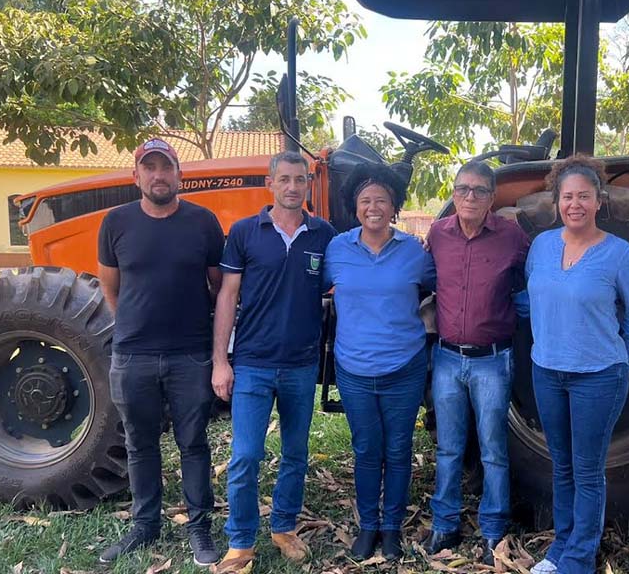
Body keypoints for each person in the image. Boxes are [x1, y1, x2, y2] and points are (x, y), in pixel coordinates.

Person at [524, 155, 629, 574]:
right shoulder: (542, 246)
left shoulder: (620, 255)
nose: (574, 204)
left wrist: (619, 363)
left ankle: (579, 560)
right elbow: (533, 301)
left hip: (597, 378)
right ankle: (561, 549)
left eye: (583, 195)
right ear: (557, 201)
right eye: (567, 196)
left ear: (599, 200)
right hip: (546, 371)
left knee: (586, 469)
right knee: (560, 465)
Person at [97, 138, 225, 566]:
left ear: (178, 175)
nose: (158, 175)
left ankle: (199, 527)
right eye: (149, 168)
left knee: (193, 442)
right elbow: (110, 287)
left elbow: (216, 285)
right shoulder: (116, 223)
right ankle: (145, 524)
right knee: (140, 444)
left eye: (165, 167)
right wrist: (135, 324)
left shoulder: (203, 223)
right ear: (136, 177)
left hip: (190, 354)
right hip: (132, 355)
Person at [212, 151, 336, 574]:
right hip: (253, 363)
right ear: (270, 183)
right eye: (284, 179)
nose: (292, 187)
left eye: (299, 179)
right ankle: (241, 540)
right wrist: (220, 362)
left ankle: (284, 526)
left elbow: (341, 288)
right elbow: (227, 297)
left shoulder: (323, 234)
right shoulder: (246, 232)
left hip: (301, 365)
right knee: (246, 454)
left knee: (295, 452)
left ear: (307, 185)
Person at [323, 163, 435, 562]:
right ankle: (368, 525)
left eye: (382, 200)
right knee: (367, 449)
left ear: (394, 207)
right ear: (355, 207)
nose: (373, 207)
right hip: (353, 370)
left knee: (399, 448)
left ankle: (391, 528)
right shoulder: (337, 249)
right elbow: (311, 291)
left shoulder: (414, 253)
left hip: (403, 368)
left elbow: (442, 287)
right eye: (365, 200)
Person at [423, 161, 529, 564]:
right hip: (448, 358)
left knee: (493, 450)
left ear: (492, 199)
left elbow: (534, 278)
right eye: (463, 189)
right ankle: (445, 524)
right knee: (449, 449)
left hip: (492, 361)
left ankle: (493, 531)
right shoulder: (438, 233)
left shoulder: (512, 237)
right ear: (453, 192)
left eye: (480, 191)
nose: (470, 197)